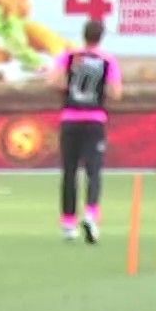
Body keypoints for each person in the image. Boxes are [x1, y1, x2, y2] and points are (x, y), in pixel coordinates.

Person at [47, 17, 122, 242]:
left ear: (84, 35)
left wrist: (68, 88)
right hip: (94, 120)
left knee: (69, 172)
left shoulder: (70, 56)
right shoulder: (107, 60)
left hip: (70, 118)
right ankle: (90, 214)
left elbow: (53, 82)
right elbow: (115, 93)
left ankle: (68, 223)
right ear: (101, 37)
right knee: (93, 170)